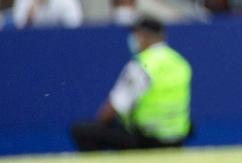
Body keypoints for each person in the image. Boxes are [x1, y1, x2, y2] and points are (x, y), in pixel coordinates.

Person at [70, 18, 193, 151]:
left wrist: (100, 123)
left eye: (135, 35)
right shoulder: (180, 62)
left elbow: (115, 107)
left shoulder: (143, 65)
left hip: (147, 138)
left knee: (82, 131)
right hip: (176, 137)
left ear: (143, 37)